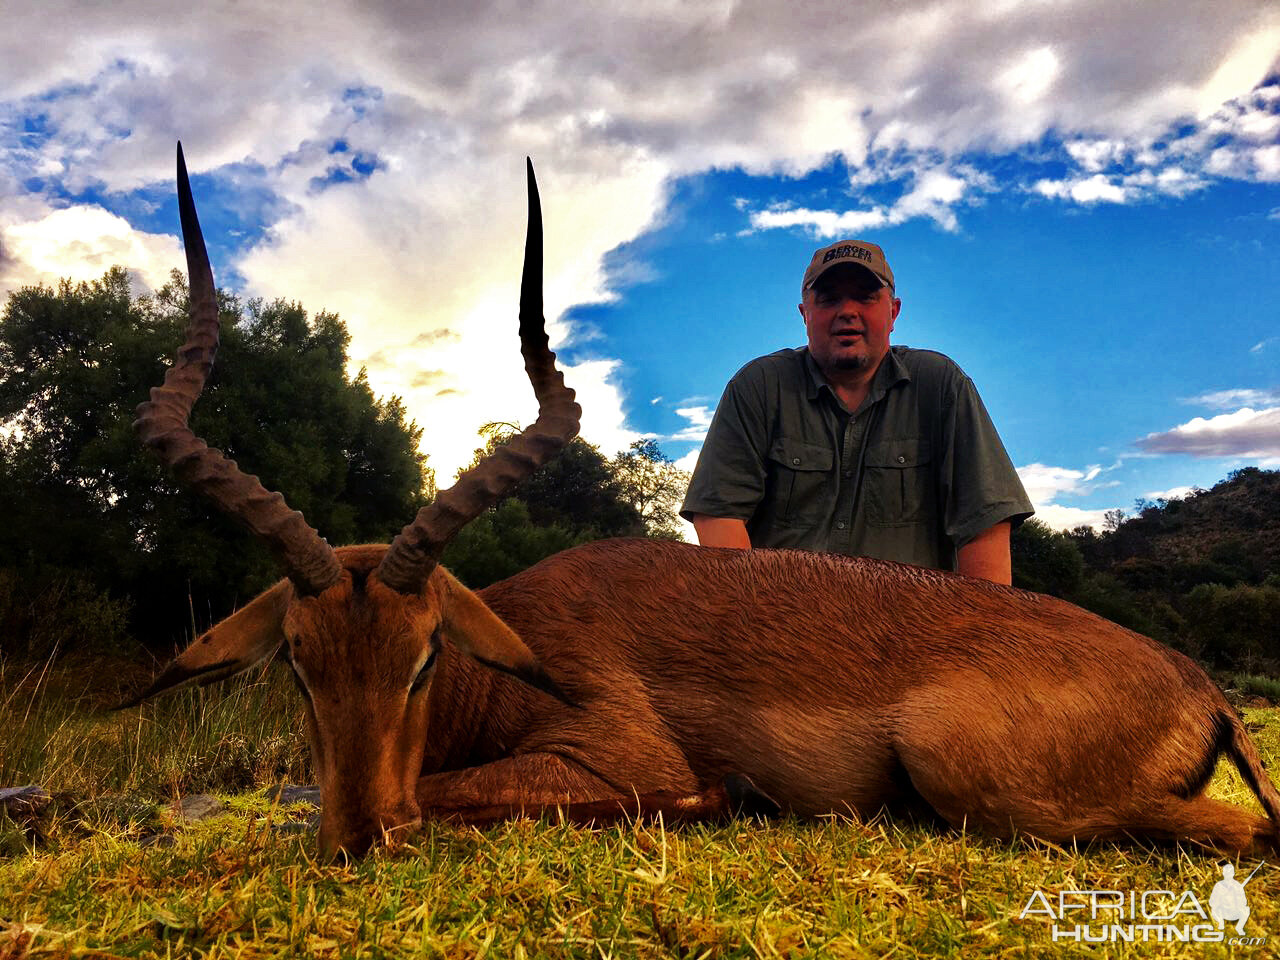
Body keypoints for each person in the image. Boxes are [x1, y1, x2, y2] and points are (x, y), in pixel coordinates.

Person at [681, 238, 1033, 584]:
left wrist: (978, 633)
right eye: (829, 299)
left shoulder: (942, 384)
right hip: (780, 622)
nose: (847, 311)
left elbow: (984, 525)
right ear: (805, 313)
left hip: (912, 629)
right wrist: (764, 617)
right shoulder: (758, 385)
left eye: (865, 297)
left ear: (893, 312)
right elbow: (719, 515)